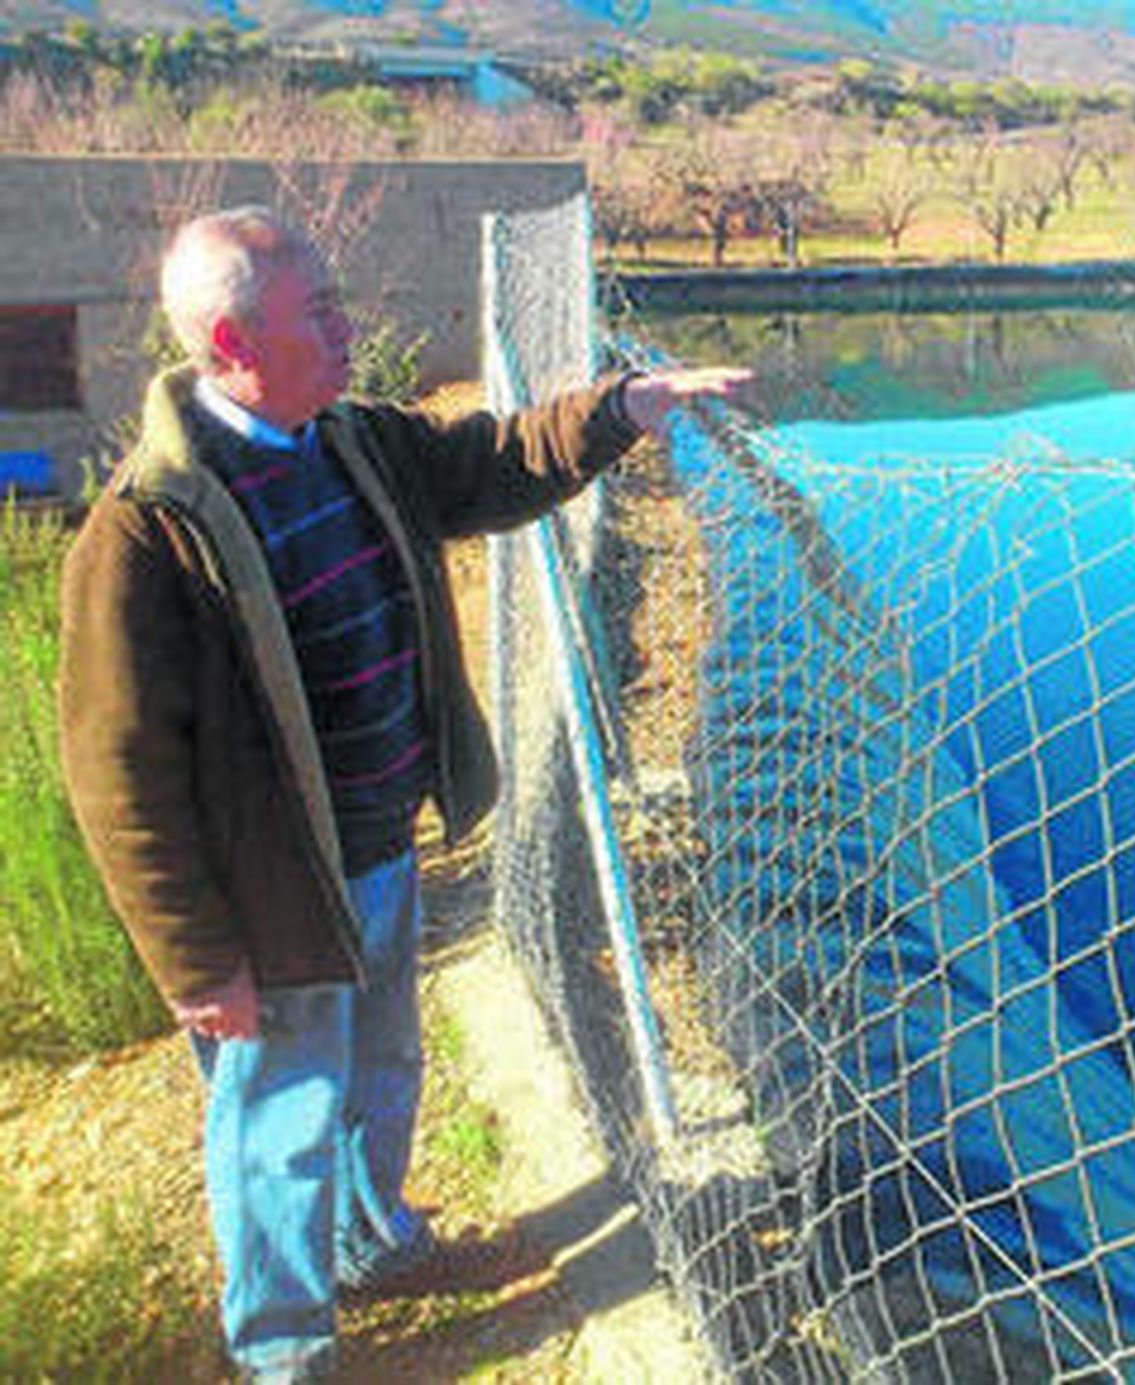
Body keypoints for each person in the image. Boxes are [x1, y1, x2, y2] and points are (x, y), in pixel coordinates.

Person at [57, 204, 747, 1381]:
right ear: (233, 344)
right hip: (272, 897)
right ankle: (282, 1348)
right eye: (317, 310)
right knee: (277, 1117)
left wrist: (622, 409)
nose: (346, 325)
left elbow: (486, 464)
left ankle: (371, 1243)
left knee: (383, 1062)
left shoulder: (354, 439)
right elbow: (121, 774)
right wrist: (195, 960)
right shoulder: (146, 531)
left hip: (382, 846)